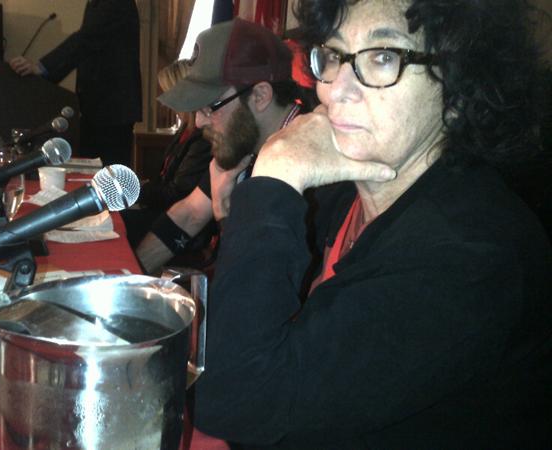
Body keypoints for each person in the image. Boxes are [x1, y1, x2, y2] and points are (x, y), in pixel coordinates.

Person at [193, 0, 552, 449]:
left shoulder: (471, 256)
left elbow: (234, 400)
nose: (335, 91)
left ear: (460, 90)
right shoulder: (343, 192)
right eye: (334, 56)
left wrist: (275, 175)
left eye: (383, 56)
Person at [135, 18, 306, 274]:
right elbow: (190, 213)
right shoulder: (244, 139)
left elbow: (261, 279)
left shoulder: (306, 165)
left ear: (260, 96)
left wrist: (223, 210)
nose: (199, 121)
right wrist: (128, 274)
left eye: (210, 106)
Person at [9, 0, 142, 167]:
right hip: (100, 108)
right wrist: (42, 74)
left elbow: (86, 38)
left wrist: (42, 68)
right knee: (94, 171)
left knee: (109, 174)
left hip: (111, 110)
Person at [122, 60, 212, 249]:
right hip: (165, 211)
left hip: (180, 225)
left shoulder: (203, 139)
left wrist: (136, 190)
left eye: (168, 94)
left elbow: (178, 194)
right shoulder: (186, 130)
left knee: (118, 224)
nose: (166, 103)